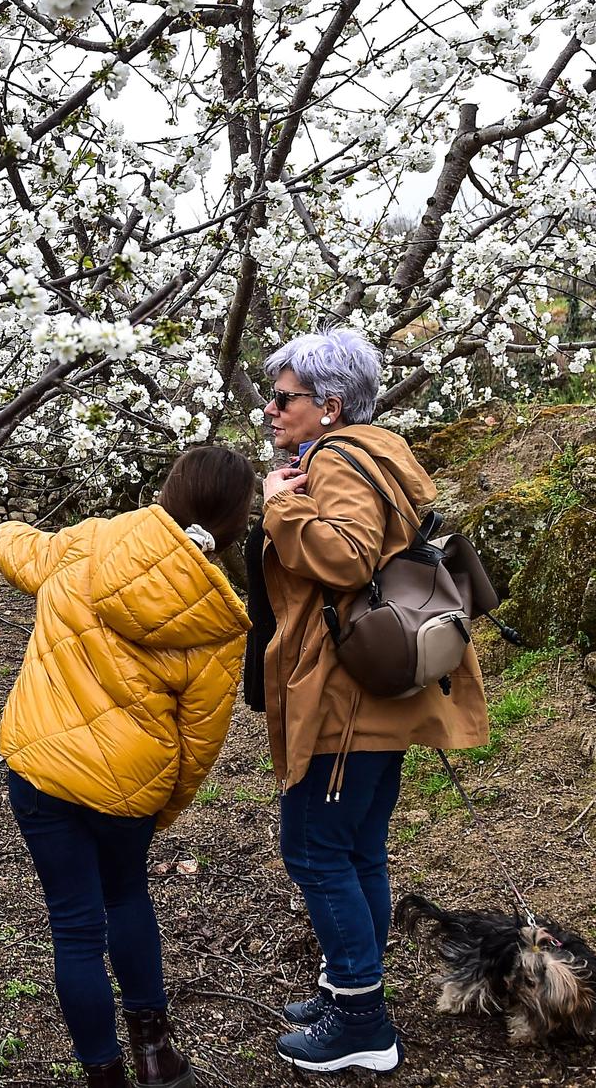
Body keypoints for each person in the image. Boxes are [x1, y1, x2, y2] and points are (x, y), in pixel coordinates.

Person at [245, 328, 490, 1074]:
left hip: (345, 699)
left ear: (330, 404)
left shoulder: (335, 461)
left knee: (315, 850)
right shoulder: (378, 449)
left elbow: (349, 556)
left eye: (282, 397)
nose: (270, 409)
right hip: (379, 697)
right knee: (357, 850)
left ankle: (361, 1018)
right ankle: (346, 985)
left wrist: (278, 508)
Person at [0, 447, 257, 1088]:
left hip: (43, 767)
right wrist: (164, 804)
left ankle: (103, 1072)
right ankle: (155, 1050)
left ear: (168, 492)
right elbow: (202, 739)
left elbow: (20, 552)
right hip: (132, 791)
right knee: (128, 897)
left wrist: (0, 525)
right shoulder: (220, 620)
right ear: (236, 525)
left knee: (74, 926)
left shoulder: (90, 542)